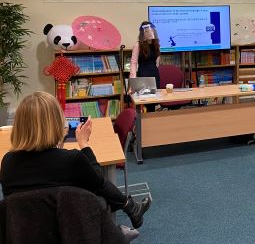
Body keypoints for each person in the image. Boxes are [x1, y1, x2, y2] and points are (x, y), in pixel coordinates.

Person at [0, 92, 151, 230]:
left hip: (24, 230)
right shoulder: (71, 159)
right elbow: (99, 180)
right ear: (56, 123)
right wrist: (84, 144)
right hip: (70, 227)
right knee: (101, 192)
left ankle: (131, 208)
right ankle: (126, 214)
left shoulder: (8, 162)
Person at [130, 21, 161, 88]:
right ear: (142, 34)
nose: (149, 33)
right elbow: (133, 63)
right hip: (143, 74)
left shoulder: (156, 45)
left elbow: (157, 62)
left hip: (155, 74)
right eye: (146, 31)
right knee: (145, 97)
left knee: (156, 97)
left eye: (151, 31)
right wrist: (133, 79)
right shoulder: (138, 45)